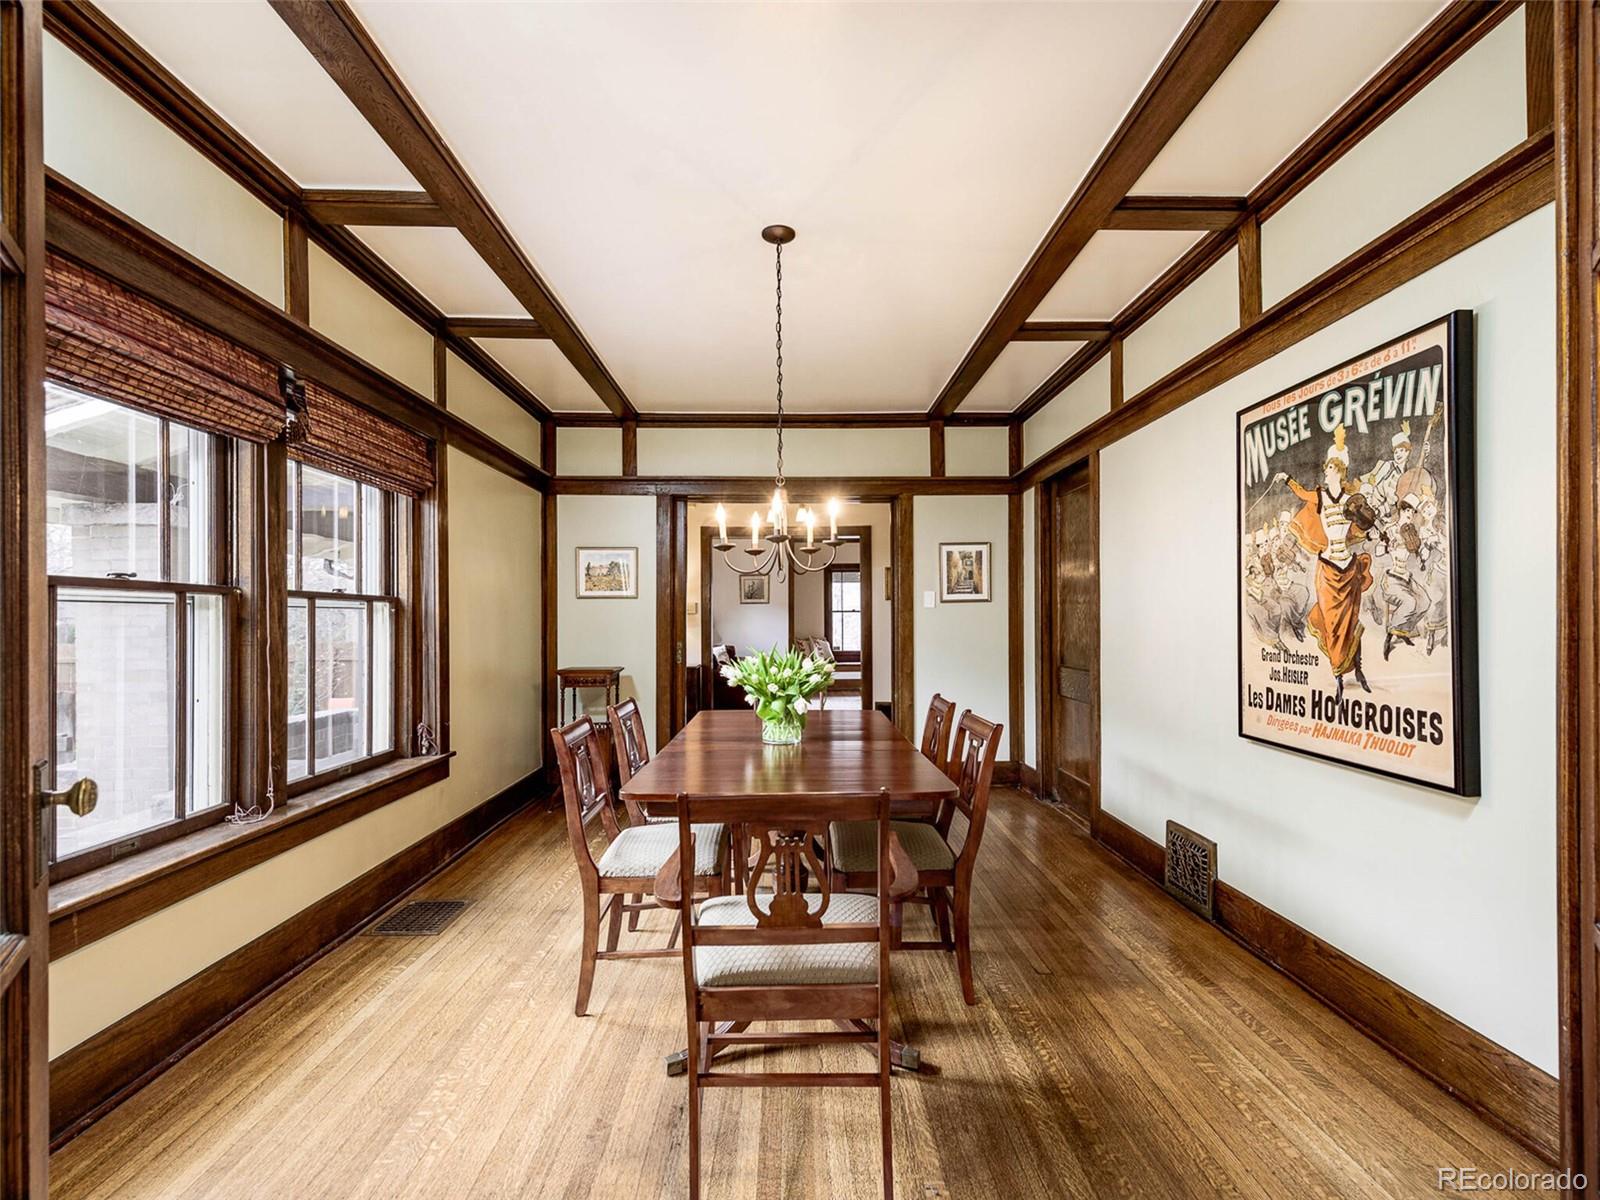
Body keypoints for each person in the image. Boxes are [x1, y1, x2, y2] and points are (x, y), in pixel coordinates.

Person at [1273, 424, 1375, 702]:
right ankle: (1339, 675)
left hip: (1349, 568)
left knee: (1352, 621)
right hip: (1329, 570)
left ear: (1340, 471)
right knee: (1331, 623)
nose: (1326, 471)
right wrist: (1287, 479)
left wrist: (1370, 526)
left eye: (1330, 468)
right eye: (1327, 468)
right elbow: (1302, 493)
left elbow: (1363, 525)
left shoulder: (1352, 501)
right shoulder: (1319, 496)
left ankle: (1359, 671)